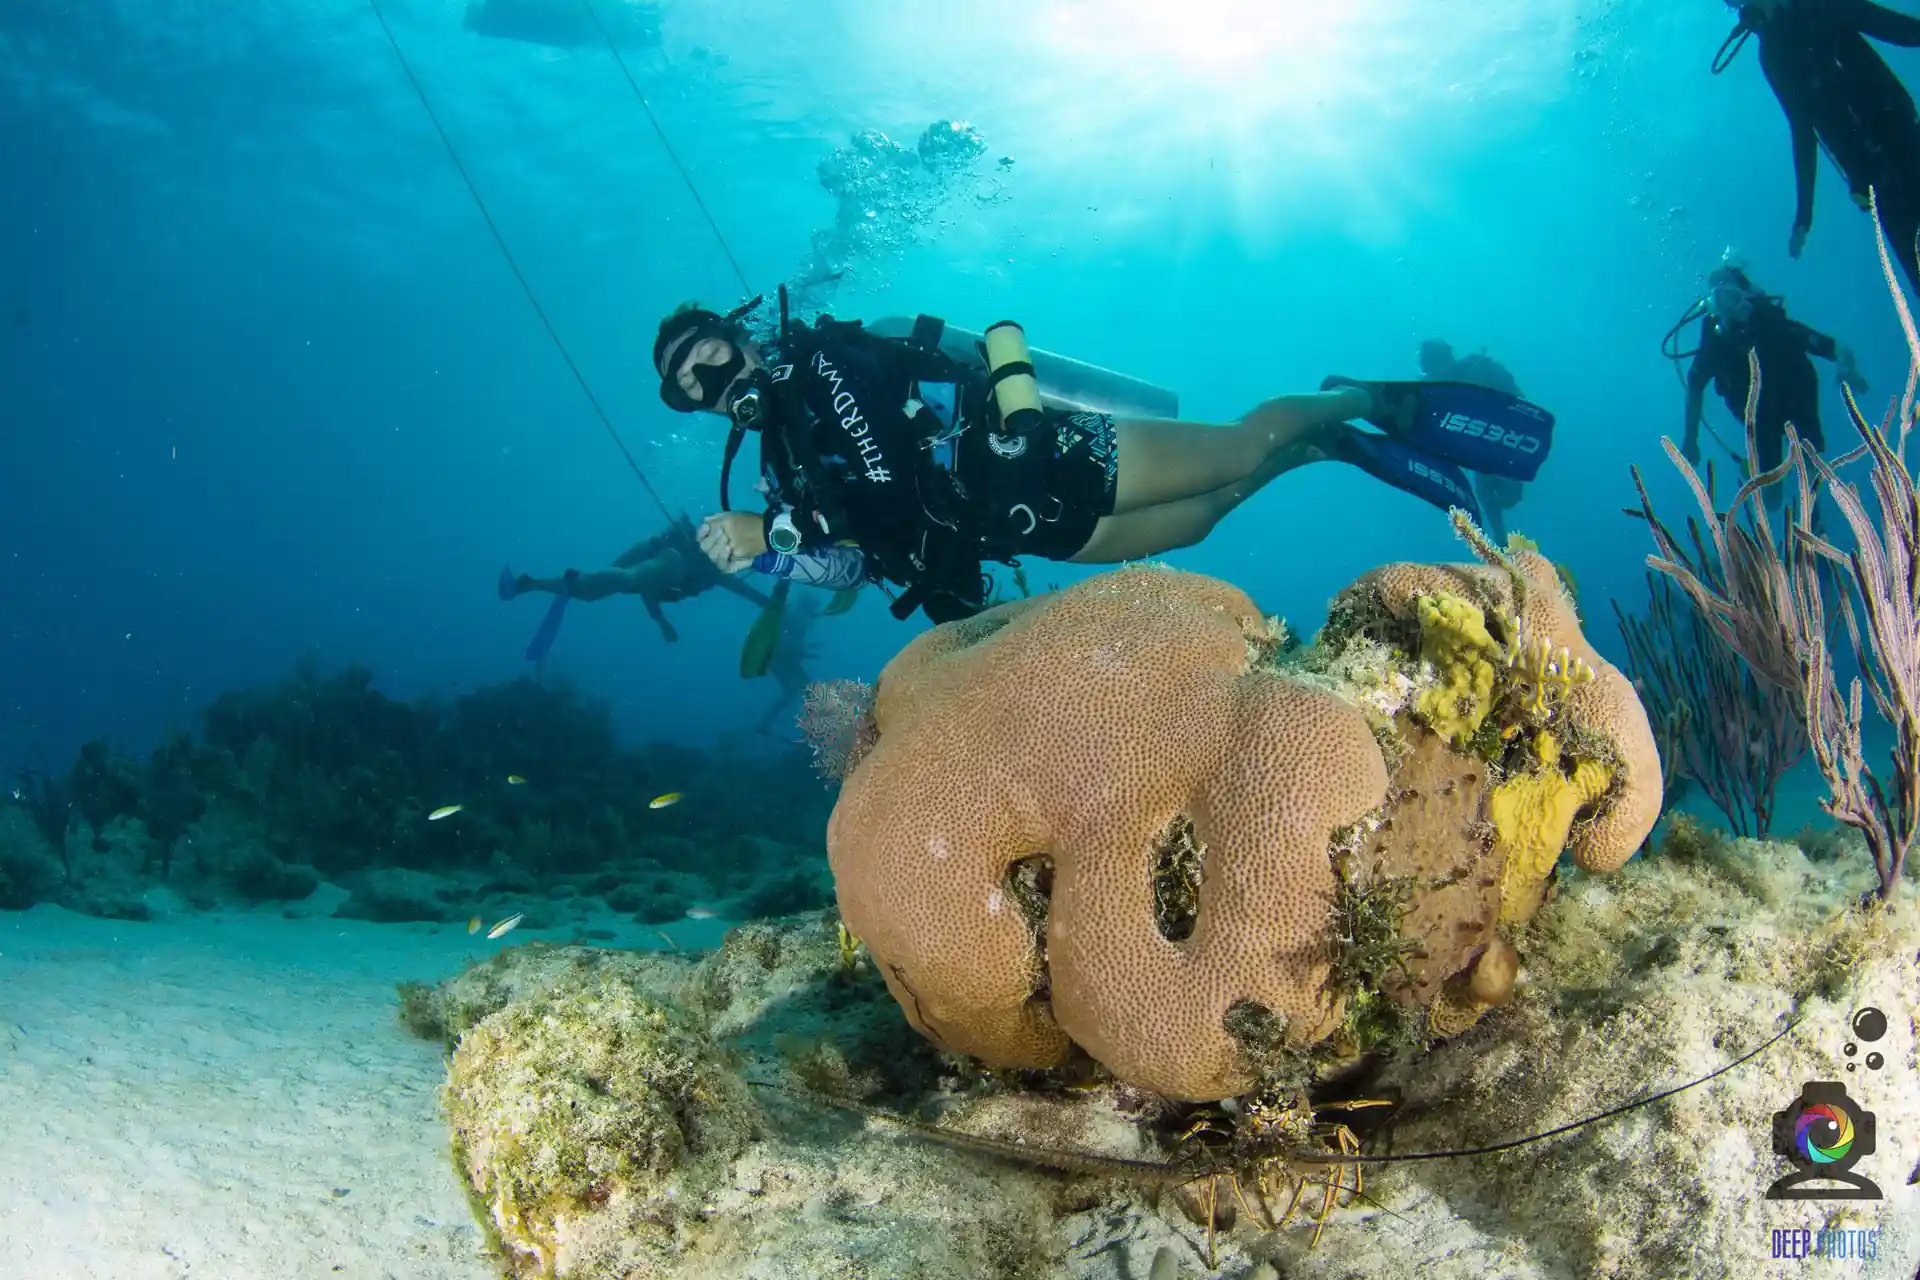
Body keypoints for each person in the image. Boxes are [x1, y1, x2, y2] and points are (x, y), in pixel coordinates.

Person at [650, 293, 1553, 623]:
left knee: (1238, 442)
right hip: (1030, 533)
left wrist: (769, 526)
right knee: (1207, 517)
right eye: (690, 389)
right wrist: (773, 547)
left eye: (712, 359)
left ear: (743, 339)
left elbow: (885, 475)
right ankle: (1325, 450)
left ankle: (1363, 397)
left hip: (1060, 464)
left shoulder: (822, 364)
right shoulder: (780, 468)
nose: (710, 386)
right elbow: (851, 559)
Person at [1721, 0, 1920, 292]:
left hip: (1904, 141)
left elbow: (1898, 29)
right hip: (1873, 180)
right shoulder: (1773, 56)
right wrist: (1804, 215)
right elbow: (1802, 132)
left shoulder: (1822, 6)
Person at [1678, 263, 1865, 507]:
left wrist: (1847, 368)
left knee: (1810, 464)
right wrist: (1691, 438)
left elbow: (1836, 348)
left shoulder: (1774, 326)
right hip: (1759, 418)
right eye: (1719, 300)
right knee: (1772, 497)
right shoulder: (1714, 348)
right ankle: (1785, 525)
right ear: (1711, 308)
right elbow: (1694, 388)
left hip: (1797, 398)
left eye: (1733, 296)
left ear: (1746, 296)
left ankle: (1815, 519)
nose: (1731, 308)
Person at [498, 514, 771, 648]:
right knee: (629, 579)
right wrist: (662, 623)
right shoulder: (716, 570)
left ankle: (530, 584)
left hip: (653, 547)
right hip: (672, 561)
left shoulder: (715, 565)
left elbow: (746, 591)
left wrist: (768, 603)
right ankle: (573, 579)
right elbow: (648, 592)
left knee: (593, 590)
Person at [1419, 339, 1529, 545]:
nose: (1434, 373)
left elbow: (1513, 392)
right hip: (1477, 443)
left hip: (1499, 433)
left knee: (1505, 497)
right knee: (1485, 488)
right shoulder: (1432, 386)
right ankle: (1500, 535)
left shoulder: (1476, 369)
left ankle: (1499, 534)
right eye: (1430, 369)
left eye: (1434, 366)